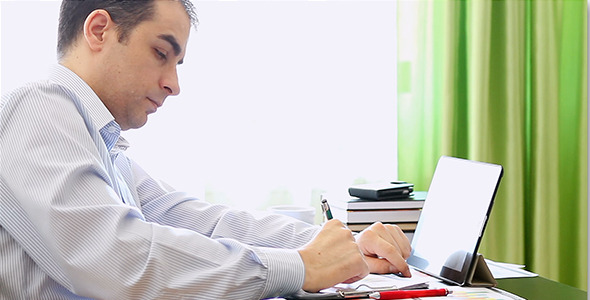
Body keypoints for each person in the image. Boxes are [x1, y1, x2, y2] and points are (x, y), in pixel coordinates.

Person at [0, 0, 411, 299]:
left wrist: (340, 247)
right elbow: (119, 262)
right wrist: (302, 266)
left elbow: (199, 222)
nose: (173, 84)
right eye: (162, 53)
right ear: (99, 30)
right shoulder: (38, 107)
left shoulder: (99, 145)